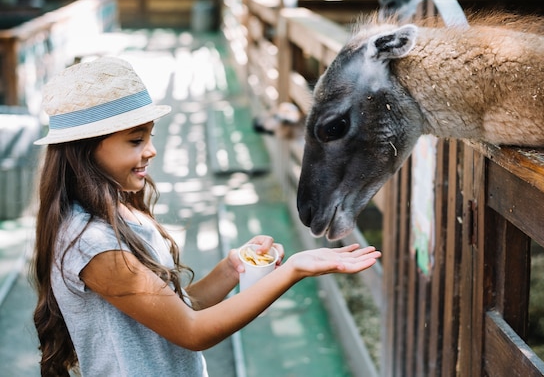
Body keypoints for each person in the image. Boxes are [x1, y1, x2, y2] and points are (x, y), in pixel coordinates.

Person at [31, 57, 381, 377]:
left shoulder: (121, 209)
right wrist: (294, 269)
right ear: (84, 150)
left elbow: (178, 309)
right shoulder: (93, 245)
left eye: (149, 136)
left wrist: (232, 268)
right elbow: (191, 331)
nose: (151, 150)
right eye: (135, 140)